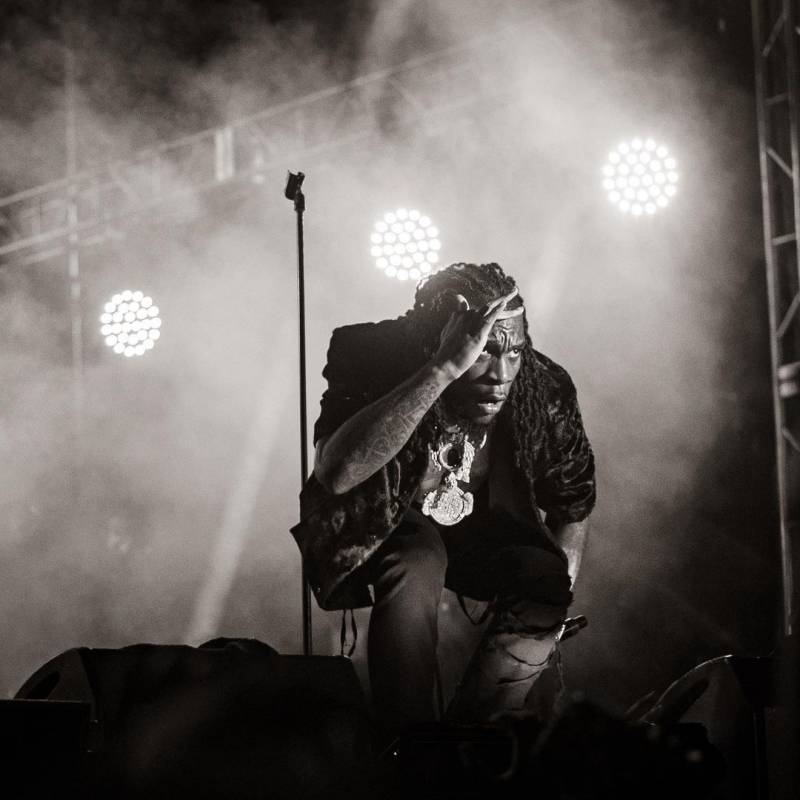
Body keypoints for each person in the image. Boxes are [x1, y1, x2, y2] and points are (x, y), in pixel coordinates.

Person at [291, 262, 595, 734]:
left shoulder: (544, 386)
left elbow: (573, 503)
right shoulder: (370, 353)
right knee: (416, 561)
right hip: (387, 521)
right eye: (484, 352)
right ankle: (410, 745)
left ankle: (470, 740)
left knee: (545, 579)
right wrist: (443, 370)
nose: (501, 373)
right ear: (441, 340)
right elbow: (336, 473)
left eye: (514, 352)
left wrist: (550, 613)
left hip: (486, 531)